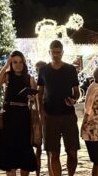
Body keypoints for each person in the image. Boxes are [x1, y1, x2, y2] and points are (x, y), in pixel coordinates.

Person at [0, 50, 38, 175]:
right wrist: (6, 66)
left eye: (20, 62)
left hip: (23, 116)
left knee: (24, 148)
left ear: (24, 63)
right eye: (14, 62)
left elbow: (34, 100)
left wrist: (32, 99)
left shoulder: (30, 79)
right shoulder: (7, 76)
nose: (18, 65)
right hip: (9, 116)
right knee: (8, 151)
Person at [37, 40, 80, 176]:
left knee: (72, 152)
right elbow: (40, 92)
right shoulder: (44, 70)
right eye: (53, 52)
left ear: (62, 52)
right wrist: (41, 112)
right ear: (49, 52)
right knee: (53, 153)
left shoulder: (70, 69)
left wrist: (74, 99)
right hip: (50, 116)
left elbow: (77, 92)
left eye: (58, 52)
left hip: (68, 115)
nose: (56, 54)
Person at [34, 61, 47, 176]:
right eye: (37, 70)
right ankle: (37, 172)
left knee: (49, 148)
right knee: (37, 147)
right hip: (34, 118)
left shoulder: (47, 84)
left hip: (47, 118)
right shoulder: (33, 82)